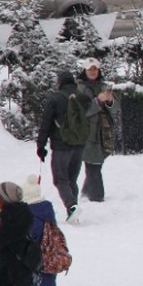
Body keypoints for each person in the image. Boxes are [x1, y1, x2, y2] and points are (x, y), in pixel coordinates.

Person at [35, 70, 93, 222]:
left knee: (60, 180)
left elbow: (46, 123)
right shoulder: (84, 98)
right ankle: (72, 211)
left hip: (62, 145)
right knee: (71, 179)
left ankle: (71, 206)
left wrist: (41, 145)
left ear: (59, 82)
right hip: (79, 145)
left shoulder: (55, 98)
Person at [76, 58, 115, 203]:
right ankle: (97, 197)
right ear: (85, 71)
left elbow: (115, 109)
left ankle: (86, 192)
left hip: (104, 132)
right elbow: (82, 111)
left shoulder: (103, 86)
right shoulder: (79, 88)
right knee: (93, 164)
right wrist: (98, 101)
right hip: (87, 132)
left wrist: (110, 101)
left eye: (95, 69)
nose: (92, 72)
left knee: (96, 162)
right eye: (89, 69)